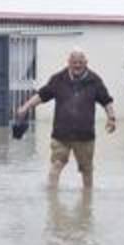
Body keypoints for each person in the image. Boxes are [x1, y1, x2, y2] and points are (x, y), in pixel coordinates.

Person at [16, 48, 116, 189]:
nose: (77, 65)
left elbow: (106, 101)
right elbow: (42, 95)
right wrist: (25, 107)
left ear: (86, 63)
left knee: (87, 170)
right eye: (74, 62)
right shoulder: (58, 79)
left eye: (80, 62)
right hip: (61, 134)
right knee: (56, 164)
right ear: (68, 62)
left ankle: (87, 200)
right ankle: (52, 200)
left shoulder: (95, 80)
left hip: (85, 136)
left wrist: (111, 118)